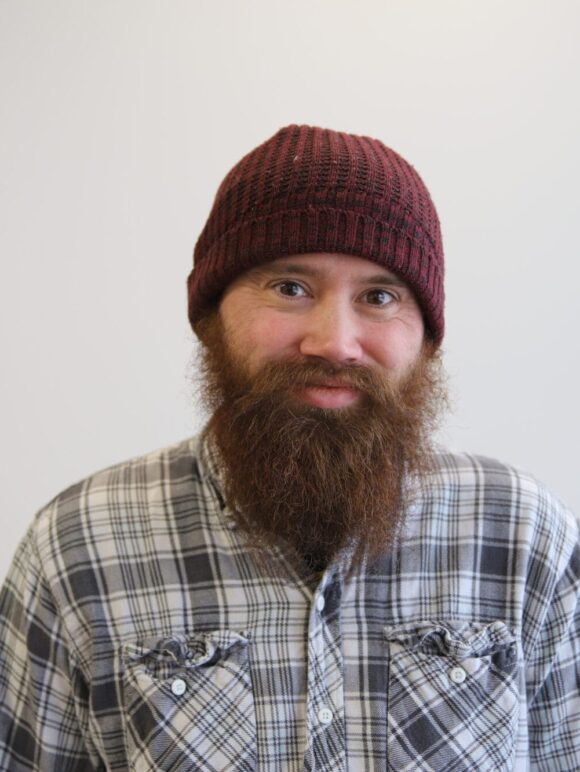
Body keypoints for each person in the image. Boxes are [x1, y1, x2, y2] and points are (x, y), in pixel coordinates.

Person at [0, 124, 578, 772]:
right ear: (211, 316)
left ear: (425, 338)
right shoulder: (77, 548)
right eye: (290, 288)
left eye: (379, 296)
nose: (335, 342)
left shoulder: (525, 538)